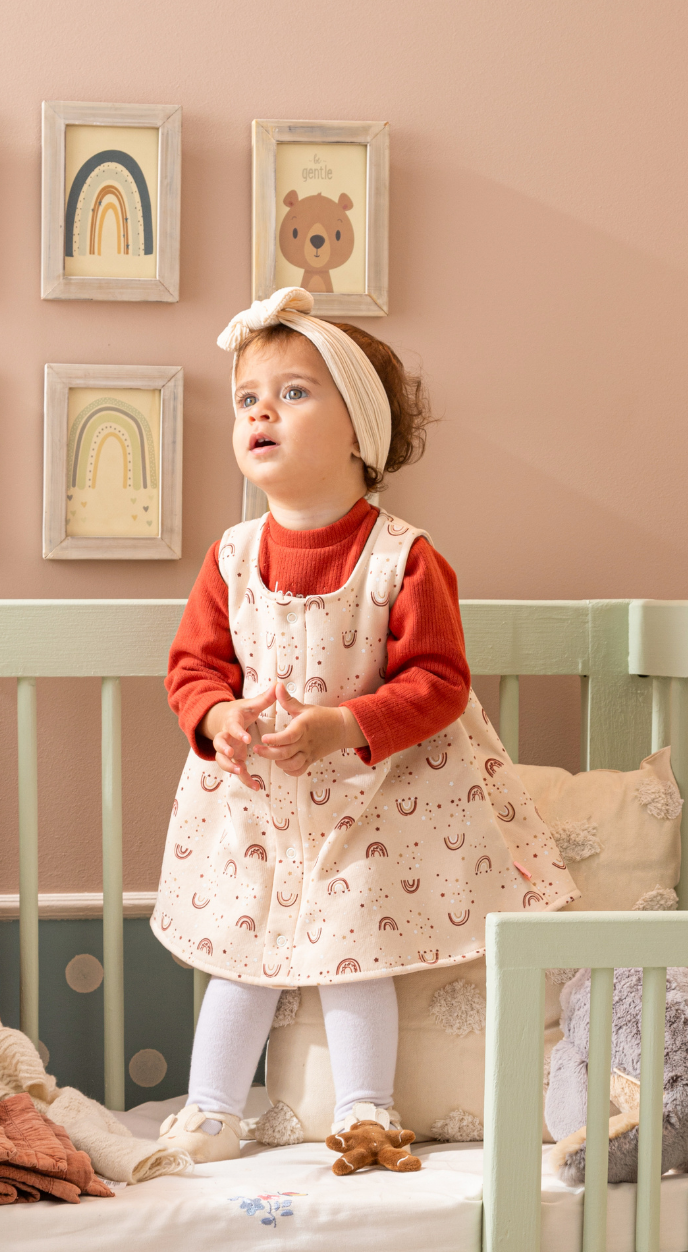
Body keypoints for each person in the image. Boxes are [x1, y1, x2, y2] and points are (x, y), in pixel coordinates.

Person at [152, 287, 576, 1163]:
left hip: (374, 802)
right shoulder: (232, 556)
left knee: (358, 951)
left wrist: (342, 724)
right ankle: (212, 1112)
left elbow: (439, 683)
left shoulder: (404, 557)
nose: (260, 411)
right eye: (246, 398)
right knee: (241, 955)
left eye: (292, 392)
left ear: (359, 431)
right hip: (257, 804)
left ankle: (366, 1112)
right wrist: (219, 716)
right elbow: (193, 668)